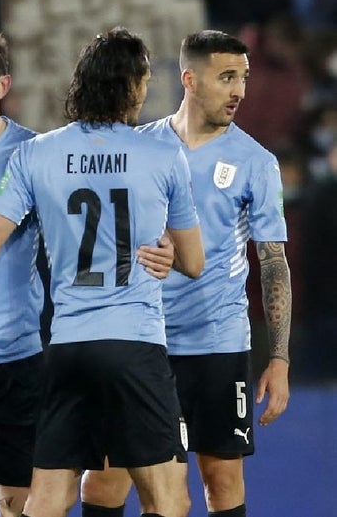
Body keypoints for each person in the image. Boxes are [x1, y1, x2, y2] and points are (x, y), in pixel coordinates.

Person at [0, 27, 206, 517]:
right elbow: (194, 263)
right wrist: (167, 251)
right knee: (168, 497)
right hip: (134, 344)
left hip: (68, 346)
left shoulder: (36, 153)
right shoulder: (162, 154)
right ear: (134, 86)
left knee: (48, 497)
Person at [80, 29, 292, 517]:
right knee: (106, 479)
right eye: (226, 77)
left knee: (221, 479)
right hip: (143, 342)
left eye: (243, 77)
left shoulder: (257, 162)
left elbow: (273, 262)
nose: (239, 90)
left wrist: (279, 358)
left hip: (217, 344)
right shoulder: (140, 147)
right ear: (190, 79)